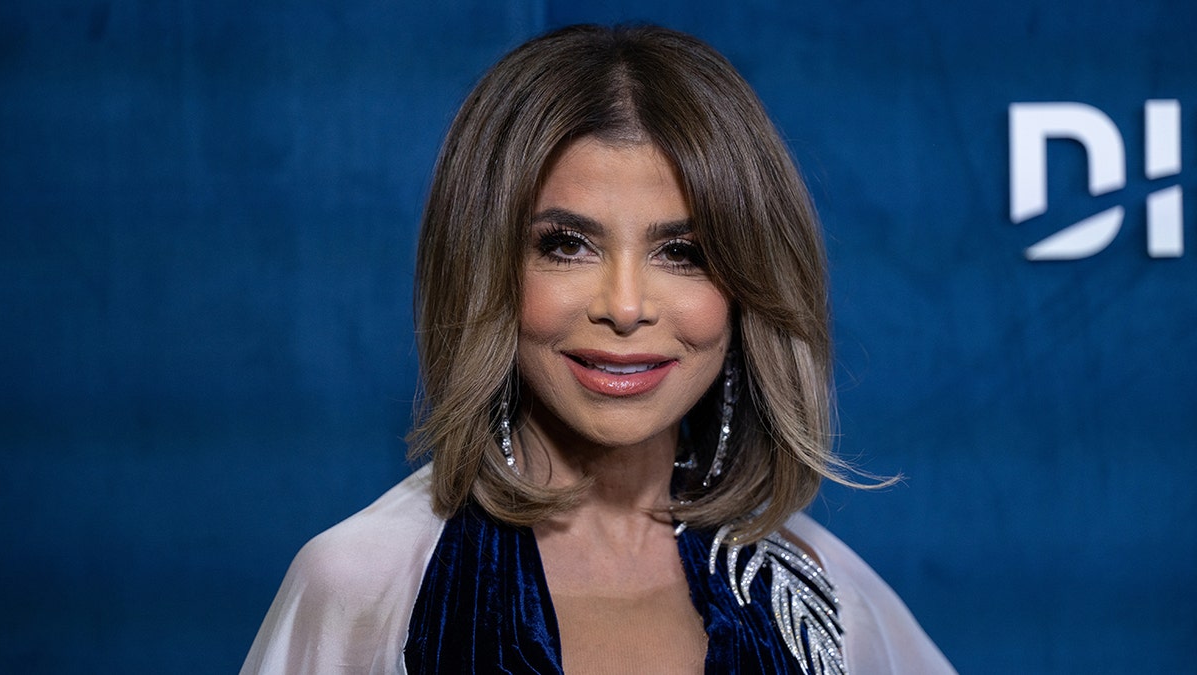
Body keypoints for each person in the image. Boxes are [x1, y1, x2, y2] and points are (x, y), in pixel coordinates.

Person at [241, 23, 955, 674]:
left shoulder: (818, 598)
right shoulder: (362, 585)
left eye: (683, 252)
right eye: (566, 245)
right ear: (483, 269)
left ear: (747, 289)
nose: (624, 306)